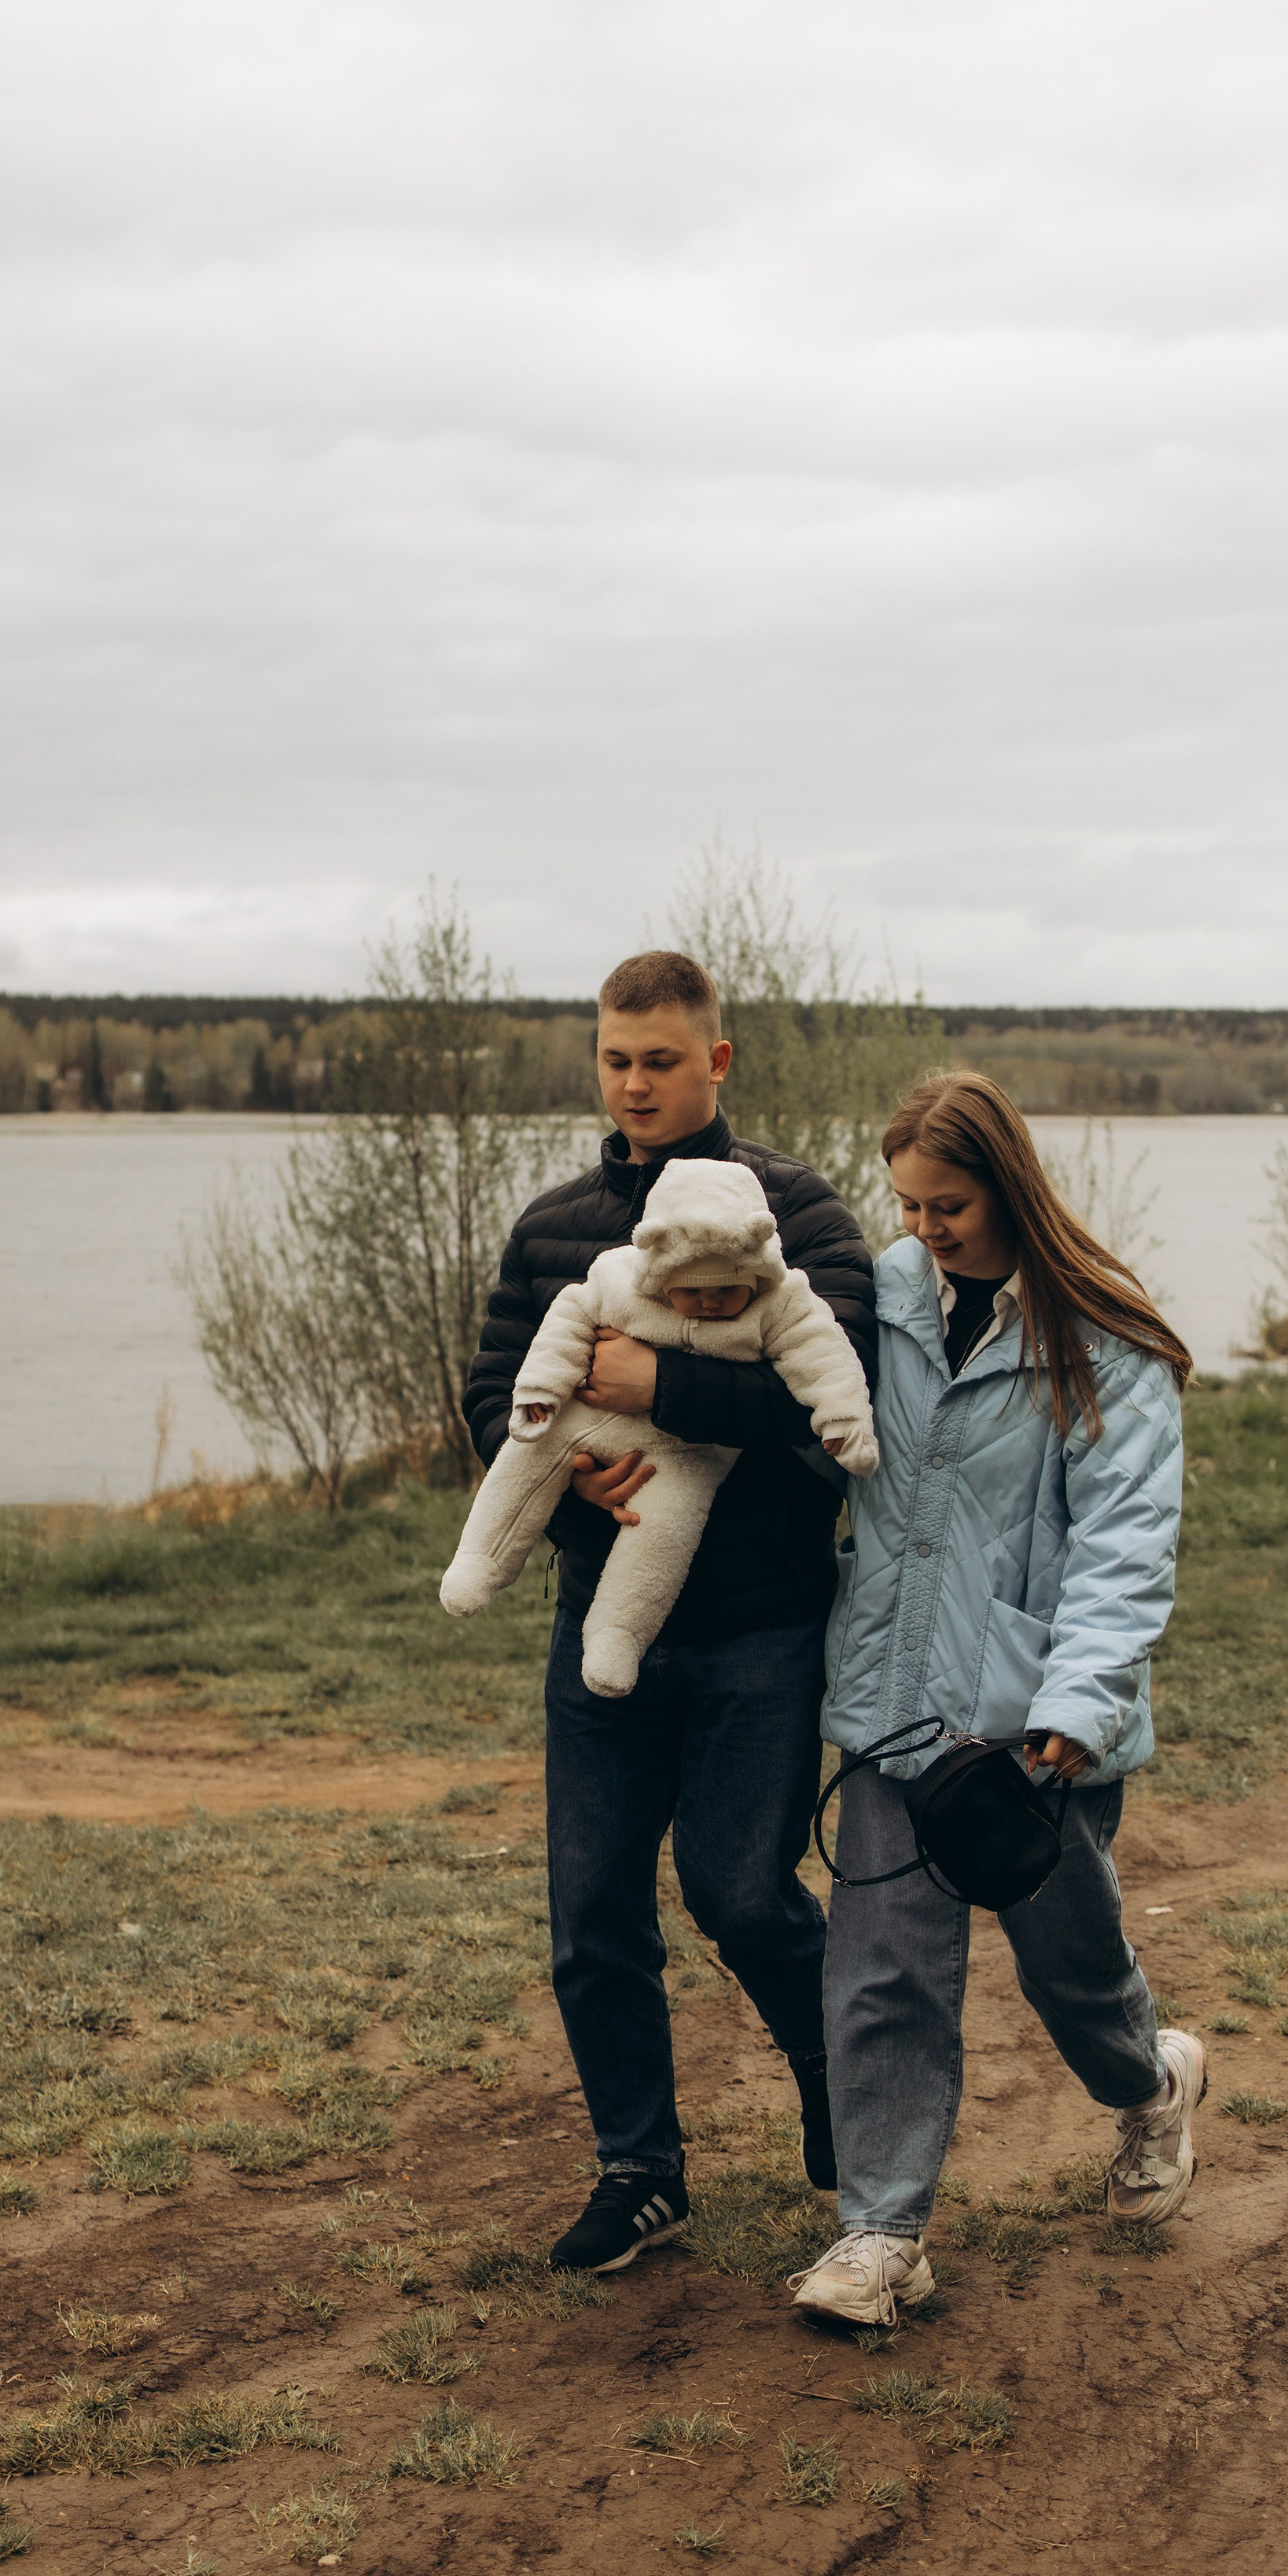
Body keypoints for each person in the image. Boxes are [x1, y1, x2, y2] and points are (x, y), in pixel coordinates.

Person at [462, 949, 877, 2273]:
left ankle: (833, 2072)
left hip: (762, 1624)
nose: (635, 1083)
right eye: (615, 1059)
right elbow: (491, 1403)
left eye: (660, 1058)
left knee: (743, 1893)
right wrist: (575, 1471)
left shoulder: (797, 1222)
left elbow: (839, 1403)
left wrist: (656, 1385)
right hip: (603, 1626)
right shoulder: (553, 1227)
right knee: (591, 1912)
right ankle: (641, 2171)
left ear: (718, 1062)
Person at [790, 1071, 1202, 2330]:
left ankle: (1150, 2089)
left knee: (1070, 1969)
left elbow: (1127, 1540)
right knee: (884, 1972)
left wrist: (1079, 1702)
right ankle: (881, 2232)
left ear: (1009, 1187)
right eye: (907, 1206)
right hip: (891, 1709)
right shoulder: (880, 1303)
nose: (924, 1231)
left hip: (1035, 1728)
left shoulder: (1106, 1335)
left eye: (949, 1206)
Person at [441, 1156, 877, 1696]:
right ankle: (481, 1560)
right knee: (525, 1456)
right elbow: (566, 1322)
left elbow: (827, 1358)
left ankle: (616, 1636)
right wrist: (540, 1391)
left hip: (687, 1455)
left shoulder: (783, 1302)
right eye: (692, 1290)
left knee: (664, 1535)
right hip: (588, 1422)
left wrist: (844, 1423)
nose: (711, 1302)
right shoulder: (616, 1277)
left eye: (728, 1289)